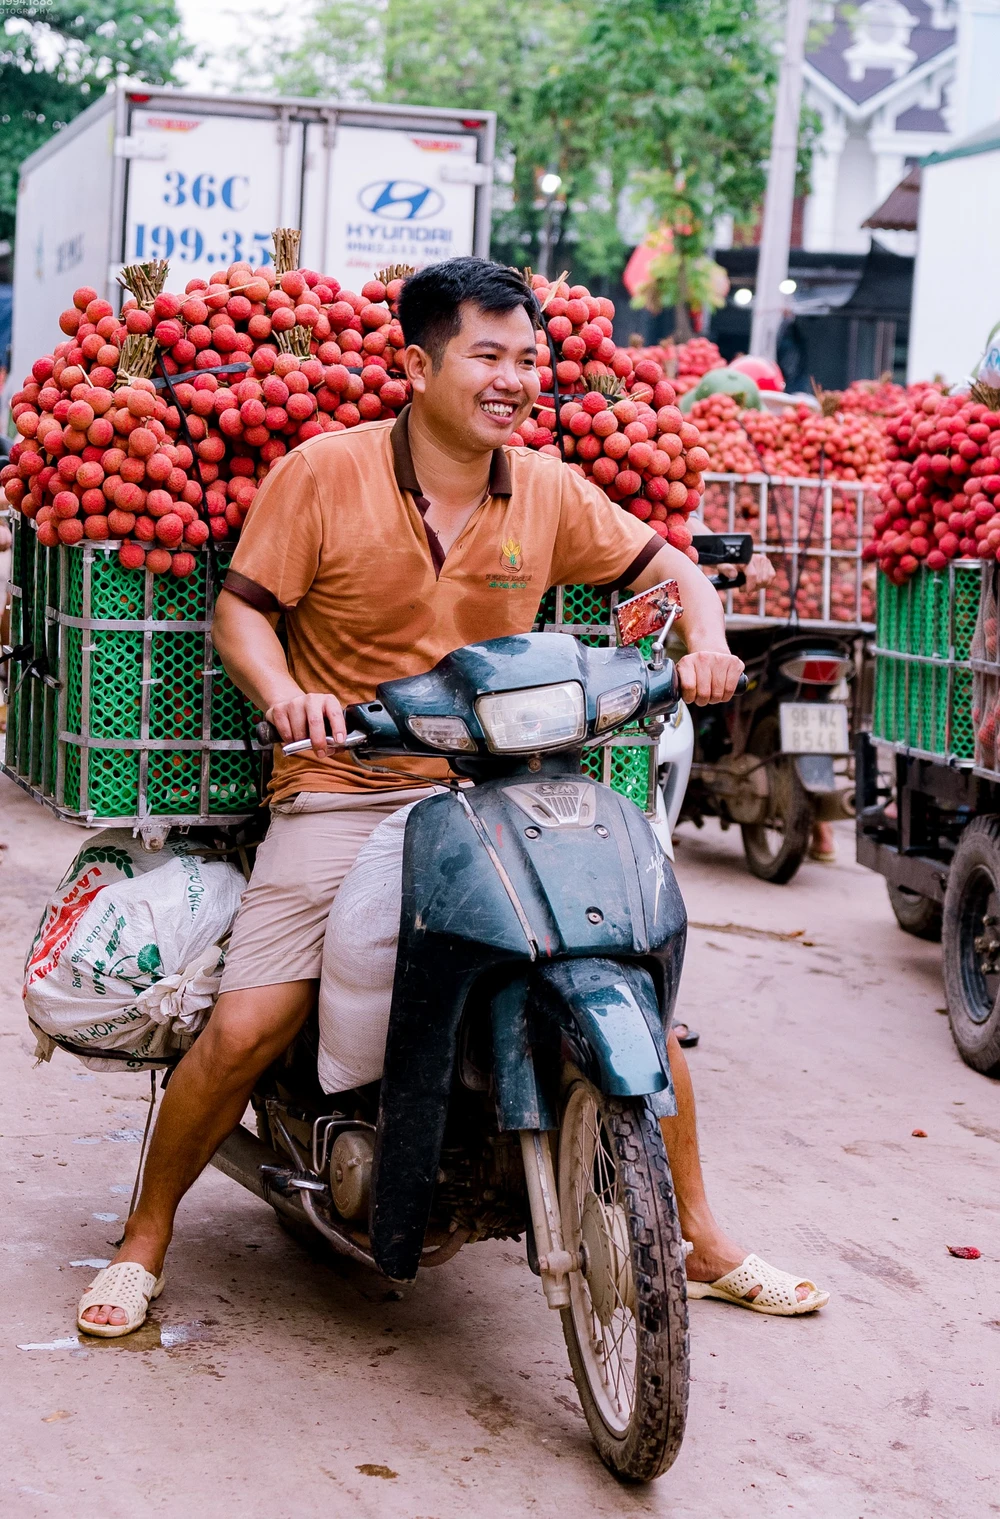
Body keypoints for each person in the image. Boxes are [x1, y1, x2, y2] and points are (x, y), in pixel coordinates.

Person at [78, 258, 828, 1336]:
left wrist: (704, 639)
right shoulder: (321, 473)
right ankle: (145, 1235)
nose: (515, 378)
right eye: (488, 355)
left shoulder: (546, 486)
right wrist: (287, 695)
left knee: (622, 981)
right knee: (248, 1025)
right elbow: (241, 613)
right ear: (419, 363)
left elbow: (672, 569)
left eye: (528, 358)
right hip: (347, 782)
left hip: (501, 785)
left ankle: (699, 1236)